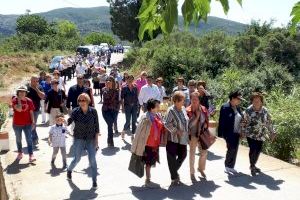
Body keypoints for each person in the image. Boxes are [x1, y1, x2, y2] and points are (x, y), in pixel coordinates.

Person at [67, 93, 100, 189]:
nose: (82, 102)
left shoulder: (93, 111)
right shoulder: (75, 111)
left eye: (84, 100)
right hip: (79, 138)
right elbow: (70, 120)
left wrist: (96, 142)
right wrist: (65, 122)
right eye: (80, 100)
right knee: (77, 159)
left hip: (91, 139)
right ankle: (69, 170)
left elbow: (97, 127)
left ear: (88, 101)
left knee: (92, 160)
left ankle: (94, 181)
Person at [131, 99, 165, 188]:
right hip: (147, 144)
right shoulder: (145, 117)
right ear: (151, 108)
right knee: (148, 163)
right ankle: (148, 179)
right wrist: (136, 142)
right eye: (157, 106)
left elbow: (162, 126)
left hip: (155, 143)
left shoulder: (158, 115)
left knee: (151, 161)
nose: (159, 107)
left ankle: (148, 178)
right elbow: (139, 131)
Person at [241, 92, 276, 176]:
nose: (256, 102)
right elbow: (243, 122)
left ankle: (253, 165)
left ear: (261, 101)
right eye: (254, 101)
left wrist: (272, 132)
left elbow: (269, 122)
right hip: (251, 134)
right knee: (253, 149)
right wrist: (242, 131)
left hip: (261, 133)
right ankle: (252, 166)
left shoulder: (265, 111)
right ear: (252, 101)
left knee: (258, 150)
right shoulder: (248, 110)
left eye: (258, 101)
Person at [164, 91, 189, 186]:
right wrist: (176, 131)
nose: (184, 101)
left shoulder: (183, 108)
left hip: (183, 138)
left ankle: (174, 172)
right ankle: (174, 177)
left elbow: (186, 120)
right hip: (173, 139)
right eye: (183, 100)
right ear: (177, 101)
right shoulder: (171, 110)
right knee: (171, 158)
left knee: (183, 155)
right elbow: (166, 123)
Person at [218, 90, 243, 174]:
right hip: (228, 132)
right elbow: (221, 121)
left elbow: (241, 118)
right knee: (231, 148)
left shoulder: (238, 108)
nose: (239, 100)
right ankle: (227, 165)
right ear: (232, 98)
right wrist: (221, 134)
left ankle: (231, 166)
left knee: (235, 149)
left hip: (237, 132)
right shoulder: (225, 107)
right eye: (238, 99)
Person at [186, 91, 209, 181]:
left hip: (202, 134)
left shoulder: (203, 109)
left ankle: (201, 168)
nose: (194, 101)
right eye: (192, 99)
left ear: (199, 100)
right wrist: (197, 117)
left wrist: (206, 126)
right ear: (190, 99)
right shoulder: (187, 110)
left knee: (204, 152)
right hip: (192, 134)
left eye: (196, 99)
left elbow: (207, 120)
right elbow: (188, 125)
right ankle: (192, 172)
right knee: (192, 154)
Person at [12, 86, 36, 162]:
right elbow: (19, 109)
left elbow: (31, 112)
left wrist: (33, 122)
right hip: (17, 124)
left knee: (29, 139)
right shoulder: (14, 100)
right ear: (18, 93)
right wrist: (19, 100)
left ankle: (31, 155)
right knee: (18, 139)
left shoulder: (29, 101)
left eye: (23, 91)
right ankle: (20, 152)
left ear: (26, 93)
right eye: (20, 91)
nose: (22, 93)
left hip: (27, 124)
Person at [27, 76, 45, 145]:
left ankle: (34, 139)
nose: (35, 83)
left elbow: (43, 96)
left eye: (36, 81)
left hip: (35, 109)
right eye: (33, 81)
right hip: (27, 109)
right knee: (29, 124)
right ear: (30, 81)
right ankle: (34, 138)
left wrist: (36, 89)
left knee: (32, 124)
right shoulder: (27, 88)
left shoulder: (39, 87)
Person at [102, 76, 120, 147]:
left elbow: (117, 101)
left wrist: (117, 109)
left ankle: (109, 140)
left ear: (113, 82)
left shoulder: (117, 91)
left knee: (110, 125)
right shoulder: (104, 90)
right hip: (106, 110)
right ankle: (110, 140)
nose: (108, 82)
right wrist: (108, 89)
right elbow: (106, 99)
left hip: (114, 110)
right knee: (110, 125)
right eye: (107, 81)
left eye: (110, 81)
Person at [121, 75, 139, 140]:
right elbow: (122, 98)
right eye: (129, 79)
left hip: (134, 106)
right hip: (127, 106)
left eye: (132, 79)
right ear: (127, 80)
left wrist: (137, 107)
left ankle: (132, 135)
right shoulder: (124, 88)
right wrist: (122, 107)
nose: (130, 80)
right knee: (128, 121)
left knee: (134, 121)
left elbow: (136, 98)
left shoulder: (135, 88)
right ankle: (123, 131)